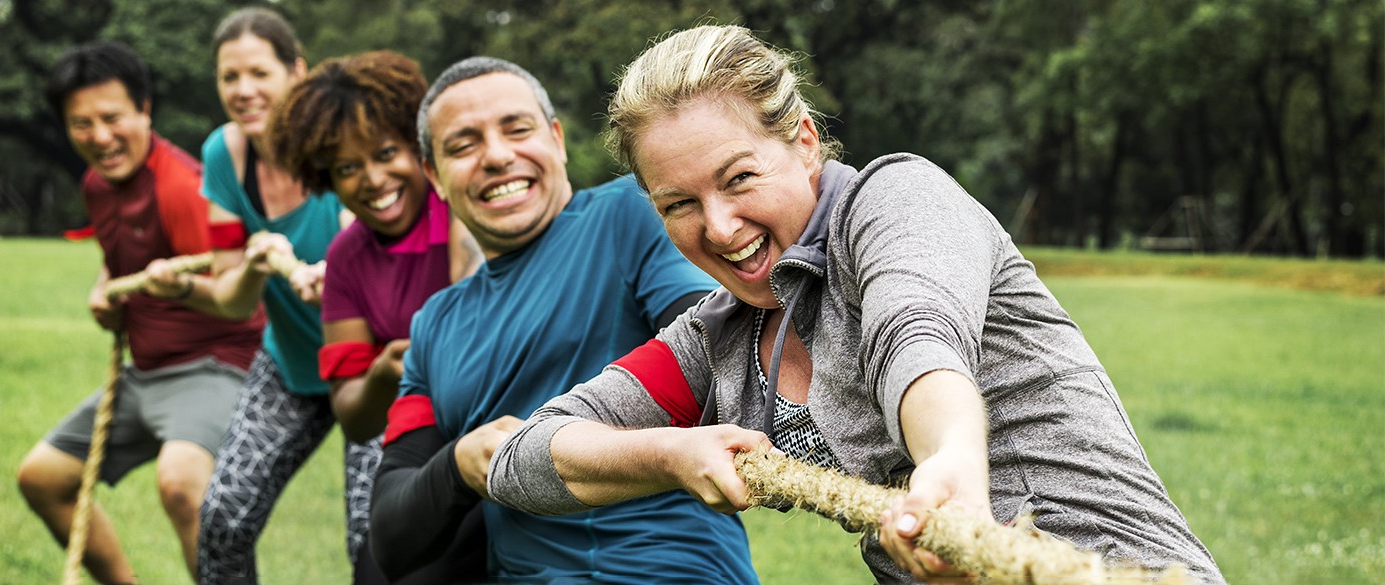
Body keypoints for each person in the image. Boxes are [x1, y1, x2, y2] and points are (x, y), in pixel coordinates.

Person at [488, 25, 1227, 585]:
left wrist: (951, 460)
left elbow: (918, 337)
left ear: (805, 143)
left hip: (1102, 566)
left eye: (739, 178)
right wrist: (674, 453)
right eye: (679, 203)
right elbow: (524, 458)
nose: (719, 226)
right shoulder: (715, 341)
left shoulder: (895, 202)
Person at [367, 56, 759, 584]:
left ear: (556, 138)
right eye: (463, 146)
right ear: (434, 176)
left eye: (517, 129)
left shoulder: (631, 212)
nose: (497, 156)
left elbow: (723, 360)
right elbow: (390, 539)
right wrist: (460, 463)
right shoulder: (434, 325)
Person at [17, 41, 264, 584]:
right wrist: (105, 290)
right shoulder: (97, 185)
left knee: (181, 482)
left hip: (216, 365)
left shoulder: (182, 187)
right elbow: (120, 258)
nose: (100, 137)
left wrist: (178, 288)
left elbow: (238, 297)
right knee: (42, 477)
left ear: (144, 110)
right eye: (82, 124)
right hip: (145, 374)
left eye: (112, 118)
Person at [141, 8, 347, 583]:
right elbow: (233, 300)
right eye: (229, 77)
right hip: (291, 366)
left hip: (372, 368)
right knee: (222, 520)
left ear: (297, 72)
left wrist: (335, 276)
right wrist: (205, 280)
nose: (243, 90)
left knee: (373, 536)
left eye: (259, 73)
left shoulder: (340, 141)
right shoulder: (225, 155)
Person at [267, 49, 483, 584]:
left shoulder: (461, 205)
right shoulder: (346, 258)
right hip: (423, 438)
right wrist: (385, 373)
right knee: (377, 571)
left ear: (417, 145)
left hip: (505, 427)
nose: (373, 178)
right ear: (325, 178)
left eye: (387, 153)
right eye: (347, 167)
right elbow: (353, 416)